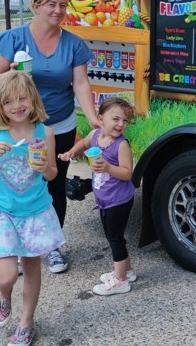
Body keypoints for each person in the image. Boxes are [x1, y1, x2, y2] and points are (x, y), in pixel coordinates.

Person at [0, 0, 101, 274]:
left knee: (54, 184)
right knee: (19, 185)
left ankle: (50, 247)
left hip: (59, 125)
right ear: (36, 7)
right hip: (20, 128)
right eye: (51, 4)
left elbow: (80, 83)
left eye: (63, 5)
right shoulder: (13, 39)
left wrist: (92, 117)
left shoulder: (73, 43)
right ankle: (21, 249)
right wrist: (7, 75)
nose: (58, 10)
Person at [0, 71, 63, 346]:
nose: (17, 106)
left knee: (32, 267)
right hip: (2, 210)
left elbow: (52, 175)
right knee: (8, 275)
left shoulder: (43, 132)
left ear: (32, 98)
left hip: (35, 211)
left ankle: (26, 323)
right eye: (9, 102)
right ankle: (3, 295)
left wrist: (44, 167)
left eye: (22, 98)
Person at [58, 96, 138, 296]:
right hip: (105, 199)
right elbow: (83, 144)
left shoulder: (120, 145)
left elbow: (128, 173)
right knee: (115, 236)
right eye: (116, 119)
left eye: (125, 121)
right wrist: (70, 152)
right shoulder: (95, 135)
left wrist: (109, 167)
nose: (121, 124)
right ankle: (126, 271)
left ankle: (120, 281)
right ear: (101, 119)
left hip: (119, 200)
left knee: (114, 238)